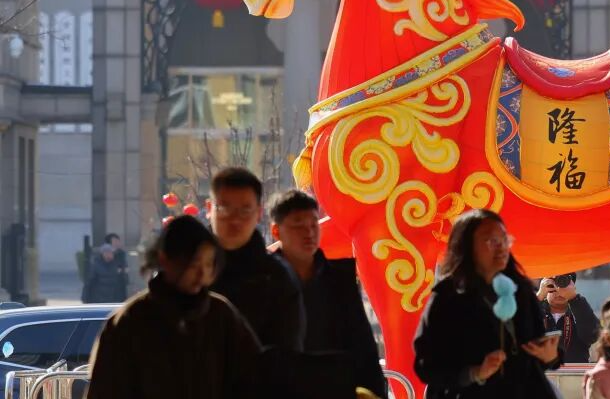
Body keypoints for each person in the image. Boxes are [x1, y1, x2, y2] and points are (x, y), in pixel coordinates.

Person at [86, 215, 261, 399]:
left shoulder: (221, 314)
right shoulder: (131, 320)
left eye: (208, 264)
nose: (202, 273)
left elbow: (254, 377)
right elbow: (105, 389)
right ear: (165, 259)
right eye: (194, 263)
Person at [414, 209, 561, 398]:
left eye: (504, 240)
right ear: (467, 246)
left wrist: (550, 356)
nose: (501, 248)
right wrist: (475, 373)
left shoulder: (521, 290)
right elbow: (426, 365)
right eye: (492, 241)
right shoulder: (447, 297)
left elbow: (534, 350)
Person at [269, 189, 387, 398]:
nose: (309, 232)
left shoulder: (339, 279)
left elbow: (363, 346)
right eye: (298, 224)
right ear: (276, 231)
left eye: (314, 224)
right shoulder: (263, 280)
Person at [208, 167, 304, 350]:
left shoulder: (277, 277)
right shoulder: (186, 268)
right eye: (225, 208)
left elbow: (287, 355)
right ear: (209, 208)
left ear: (259, 213)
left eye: (245, 210)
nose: (234, 219)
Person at [537, 272, 600, 363]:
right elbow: (520, 332)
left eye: (563, 285)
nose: (559, 290)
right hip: (538, 374)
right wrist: (538, 297)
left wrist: (574, 298)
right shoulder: (536, 311)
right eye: (553, 285)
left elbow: (592, 336)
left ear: (572, 287)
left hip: (574, 375)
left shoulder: (579, 311)